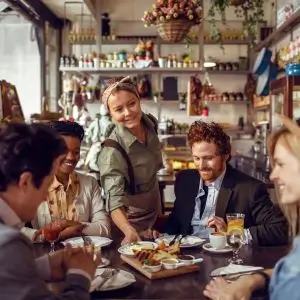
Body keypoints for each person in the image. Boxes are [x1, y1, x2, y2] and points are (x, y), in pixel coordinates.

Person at [203, 115, 300, 300]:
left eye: (280, 164)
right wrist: (252, 280)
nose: (273, 176)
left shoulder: (250, 188)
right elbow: (288, 268)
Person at [0, 123, 100, 300]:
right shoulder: (8, 244)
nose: (46, 197)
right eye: (46, 187)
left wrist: (45, 266)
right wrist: (80, 276)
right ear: (25, 182)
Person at [165, 121, 288, 246]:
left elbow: (281, 229)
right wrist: (160, 235)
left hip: (223, 259)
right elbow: (176, 222)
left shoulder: (250, 189)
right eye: (196, 158)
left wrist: (233, 234)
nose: (201, 166)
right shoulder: (185, 180)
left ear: (225, 156)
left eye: (208, 158)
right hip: (184, 257)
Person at [98, 76, 163, 244]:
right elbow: (114, 199)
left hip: (157, 219)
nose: (128, 113)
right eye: (119, 109)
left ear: (139, 100)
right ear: (110, 114)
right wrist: (128, 230)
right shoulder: (112, 151)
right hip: (130, 225)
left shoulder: (151, 124)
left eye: (132, 104)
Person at [23, 120, 110, 241]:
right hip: (45, 256)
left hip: (82, 255)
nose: (70, 157)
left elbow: (104, 228)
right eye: (63, 151)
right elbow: (17, 230)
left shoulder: (90, 183)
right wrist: (46, 236)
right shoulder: (34, 184)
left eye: (76, 152)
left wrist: (71, 225)